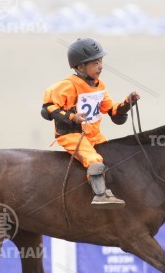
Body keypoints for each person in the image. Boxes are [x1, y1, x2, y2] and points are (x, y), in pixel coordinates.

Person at [41, 37, 140, 209]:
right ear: (80, 67)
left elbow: (112, 110)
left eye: (100, 61)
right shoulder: (67, 86)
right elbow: (47, 108)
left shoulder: (99, 86)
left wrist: (127, 103)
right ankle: (100, 195)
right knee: (94, 159)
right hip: (72, 135)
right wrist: (72, 117)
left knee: (115, 154)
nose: (100, 66)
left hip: (94, 135)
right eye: (95, 63)